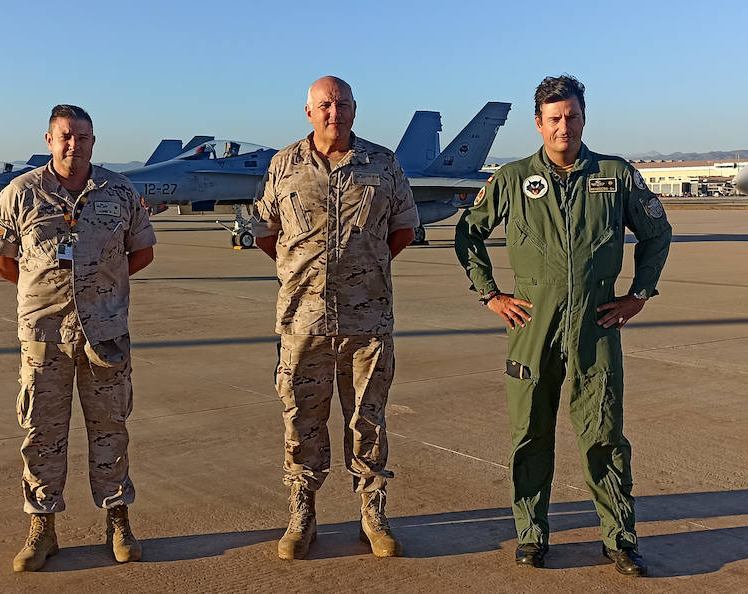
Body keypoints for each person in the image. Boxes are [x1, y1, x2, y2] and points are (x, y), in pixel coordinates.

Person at [453, 75, 671, 577]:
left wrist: (638, 294)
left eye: (571, 116)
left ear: (583, 118)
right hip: (533, 324)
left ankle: (619, 539)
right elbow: (469, 233)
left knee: (604, 434)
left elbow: (657, 233)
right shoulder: (512, 178)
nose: (563, 127)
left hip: (596, 323)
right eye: (554, 118)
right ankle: (531, 535)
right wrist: (490, 293)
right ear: (538, 123)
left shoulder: (615, 175)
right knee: (530, 433)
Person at [250, 76, 419, 560]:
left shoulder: (382, 163)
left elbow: (404, 229)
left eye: (342, 104)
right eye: (324, 105)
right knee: (301, 418)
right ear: (309, 112)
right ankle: (302, 514)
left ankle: (373, 514)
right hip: (301, 321)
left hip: (367, 321)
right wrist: (300, 272)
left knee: (369, 419)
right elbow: (265, 231)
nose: (334, 112)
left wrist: (362, 271)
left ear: (354, 109)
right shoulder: (284, 164)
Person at [0, 104, 157, 572]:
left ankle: (117, 521)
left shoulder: (119, 191)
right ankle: (42, 527)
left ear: (93, 142)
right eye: (65, 135)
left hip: (106, 334)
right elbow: (0, 262)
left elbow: (142, 252)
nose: (73, 144)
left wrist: (101, 291)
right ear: (49, 140)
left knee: (111, 428)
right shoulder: (20, 193)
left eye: (82, 137)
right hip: (44, 336)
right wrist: (43, 292)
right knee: (41, 432)